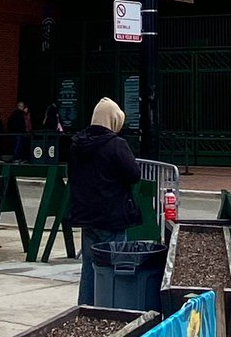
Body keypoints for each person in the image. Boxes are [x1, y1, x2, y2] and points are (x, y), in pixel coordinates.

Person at [67, 97, 142, 306]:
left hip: (86, 215)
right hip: (112, 215)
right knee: (115, 267)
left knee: (89, 267)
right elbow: (134, 174)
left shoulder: (77, 144)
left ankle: (86, 309)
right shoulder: (116, 144)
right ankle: (110, 308)